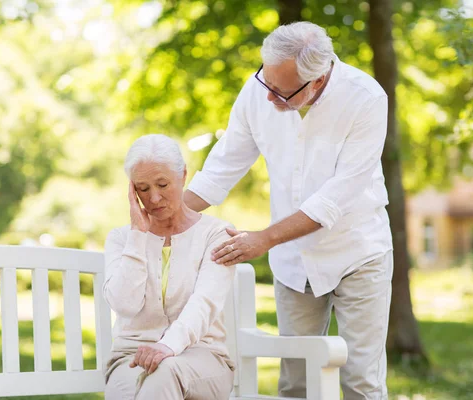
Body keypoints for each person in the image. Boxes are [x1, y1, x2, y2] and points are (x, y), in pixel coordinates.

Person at [184, 21, 394, 399]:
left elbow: (336, 197)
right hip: (293, 261)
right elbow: (221, 168)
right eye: (265, 81)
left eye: (280, 91)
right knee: (297, 383)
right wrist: (165, 214)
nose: (268, 96)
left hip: (358, 252)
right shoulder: (258, 91)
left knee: (361, 380)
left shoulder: (366, 99)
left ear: (317, 80)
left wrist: (263, 239)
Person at [103, 134, 236, 400]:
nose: (153, 198)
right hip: (131, 357)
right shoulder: (121, 239)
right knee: (131, 392)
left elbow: (204, 304)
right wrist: (138, 235)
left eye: (162, 184)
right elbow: (125, 305)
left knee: (165, 372)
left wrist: (166, 347)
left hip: (203, 358)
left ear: (183, 175)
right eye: (142, 188)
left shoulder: (216, 234)